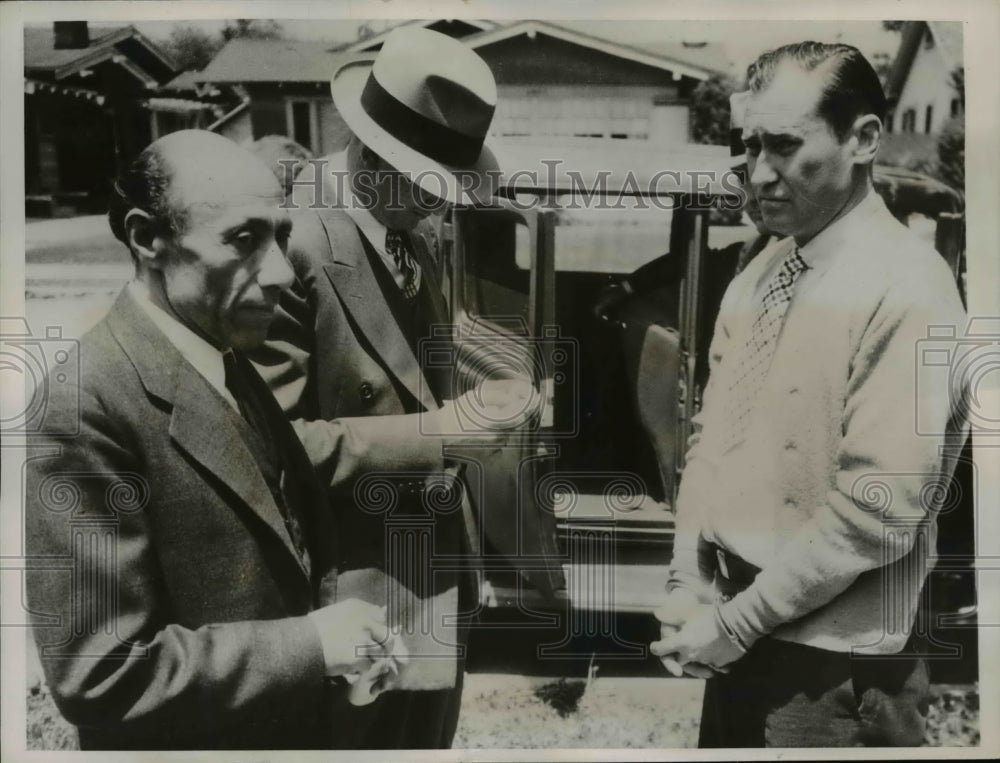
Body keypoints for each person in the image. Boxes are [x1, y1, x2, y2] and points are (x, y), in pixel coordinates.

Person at [24, 130, 396, 750]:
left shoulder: (223, 354)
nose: (279, 271)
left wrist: (334, 661)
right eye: (243, 239)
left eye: (280, 236)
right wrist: (311, 647)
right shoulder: (85, 405)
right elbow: (100, 674)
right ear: (147, 239)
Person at [650, 42, 968, 747]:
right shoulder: (760, 273)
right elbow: (712, 441)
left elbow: (876, 510)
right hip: (742, 638)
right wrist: (685, 582)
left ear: (864, 139)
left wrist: (733, 624)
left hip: (835, 675)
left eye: (787, 146)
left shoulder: (910, 287)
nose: (759, 173)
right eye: (751, 145)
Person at [253, 27, 527, 749]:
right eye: (429, 182)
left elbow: (409, 366)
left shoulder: (410, 230)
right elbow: (262, 450)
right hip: (348, 601)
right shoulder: (292, 244)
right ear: (373, 154)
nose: (443, 205)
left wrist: (493, 389)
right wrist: (439, 435)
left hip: (427, 584)